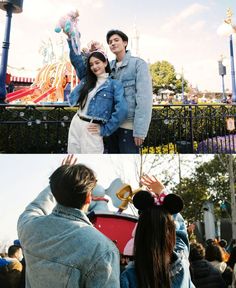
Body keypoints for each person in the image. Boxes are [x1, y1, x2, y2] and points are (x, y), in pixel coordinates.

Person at [17, 155, 120, 287]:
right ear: (89, 197)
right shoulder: (103, 249)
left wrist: (59, 182)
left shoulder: (29, 228)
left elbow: (36, 207)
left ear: (55, 191)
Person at [120, 175, 194, 288]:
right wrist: (163, 192)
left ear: (140, 233)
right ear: (171, 234)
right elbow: (180, 232)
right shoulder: (182, 265)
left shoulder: (128, 277)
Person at [67, 40, 128, 153]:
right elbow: (76, 59)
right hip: (76, 123)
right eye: (91, 64)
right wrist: (71, 38)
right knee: (73, 157)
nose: (94, 66)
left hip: (92, 129)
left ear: (105, 63)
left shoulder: (114, 85)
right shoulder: (87, 79)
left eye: (97, 62)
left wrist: (105, 129)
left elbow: (122, 110)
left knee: (91, 161)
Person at [106, 29, 153, 153]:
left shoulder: (138, 64)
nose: (113, 43)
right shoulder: (108, 67)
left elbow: (144, 99)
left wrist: (140, 131)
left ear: (125, 42)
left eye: (116, 40)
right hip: (111, 127)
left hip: (129, 128)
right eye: (110, 42)